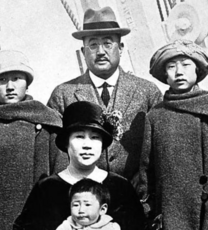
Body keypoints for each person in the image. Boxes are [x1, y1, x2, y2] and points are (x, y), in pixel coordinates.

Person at [11, 101, 149, 230]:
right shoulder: (47, 187)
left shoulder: (120, 186)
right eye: (79, 136)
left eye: (95, 137)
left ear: (103, 145)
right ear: (66, 143)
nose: (87, 145)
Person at [47, 6, 163, 189]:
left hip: (138, 202)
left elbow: (160, 151)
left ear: (121, 47)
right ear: (83, 51)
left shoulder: (148, 92)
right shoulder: (62, 95)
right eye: (93, 45)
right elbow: (57, 155)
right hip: (82, 202)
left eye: (108, 44)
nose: (100, 51)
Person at [0, 50, 63, 230]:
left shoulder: (47, 121)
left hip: (39, 219)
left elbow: (60, 173)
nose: (10, 86)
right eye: (1, 80)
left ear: (27, 83)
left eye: (16, 79)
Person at [138, 39, 208, 230]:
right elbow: (147, 170)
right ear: (164, 75)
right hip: (175, 213)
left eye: (186, 65)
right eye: (171, 66)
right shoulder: (156, 116)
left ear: (197, 70)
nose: (179, 72)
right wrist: (152, 212)